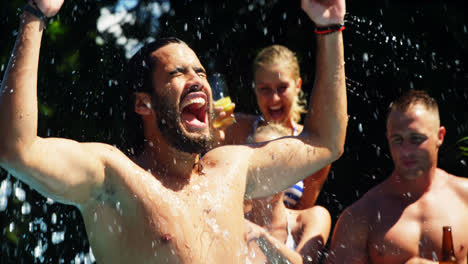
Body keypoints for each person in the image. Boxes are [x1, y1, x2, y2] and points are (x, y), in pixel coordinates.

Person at [0, 0, 347, 263]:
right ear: (143, 104)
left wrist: (329, 29)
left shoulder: (229, 170)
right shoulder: (114, 176)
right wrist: (34, 15)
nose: (198, 81)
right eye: (177, 73)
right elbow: (17, 150)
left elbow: (325, 142)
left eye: (200, 72)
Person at [325, 90, 468, 264]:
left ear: (440, 136)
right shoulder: (361, 216)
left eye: (416, 139)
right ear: (388, 139)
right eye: (398, 140)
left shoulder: (464, 197)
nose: (406, 151)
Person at [218, 44, 331, 210]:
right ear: (255, 89)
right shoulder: (235, 129)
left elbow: (301, 213)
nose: (274, 99)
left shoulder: (312, 144)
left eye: (282, 88)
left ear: (298, 85)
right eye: (265, 89)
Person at [244, 123, 331, 264]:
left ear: (291, 171)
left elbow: (305, 262)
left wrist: (262, 237)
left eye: (275, 162)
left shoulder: (310, 218)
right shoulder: (235, 220)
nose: (265, 172)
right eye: (258, 162)